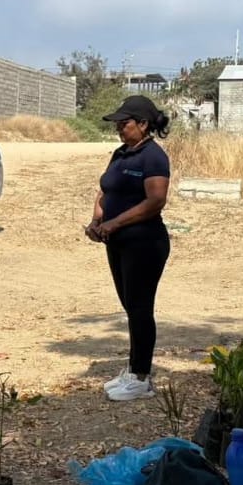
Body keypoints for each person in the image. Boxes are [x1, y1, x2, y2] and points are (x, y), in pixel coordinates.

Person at [86, 94, 172, 403]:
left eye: (124, 124)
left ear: (143, 124)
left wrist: (115, 223)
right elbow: (105, 191)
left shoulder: (154, 157)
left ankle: (141, 377)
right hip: (118, 242)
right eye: (118, 125)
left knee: (140, 307)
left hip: (144, 242)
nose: (119, 129)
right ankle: (133, 369)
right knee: (129, 306)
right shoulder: (121, 154)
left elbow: (155, 201)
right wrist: (97, 221)